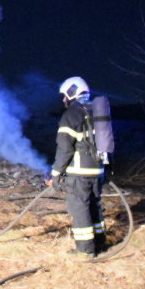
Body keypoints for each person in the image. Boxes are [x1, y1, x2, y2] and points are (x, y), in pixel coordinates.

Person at [46, 76, 106, 258]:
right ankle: (100, 244)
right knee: (94, 206)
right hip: (98, 171)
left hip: (79, 172)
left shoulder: (71, 115)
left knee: (79, 208)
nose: (64, 100)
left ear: (72, 93)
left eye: (65, 95)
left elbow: (64, 148)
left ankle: (85, 251)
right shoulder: (97, 110)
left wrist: (55, 174)